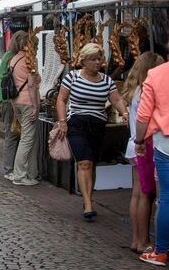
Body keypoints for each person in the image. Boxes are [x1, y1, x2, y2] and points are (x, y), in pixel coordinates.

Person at [56, 43, 129, 219]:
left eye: (99, 59)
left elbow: (117, 99)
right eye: (93, 59)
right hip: (77, 124)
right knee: (84, 162)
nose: (98, 62)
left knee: (93, 163)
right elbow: (61, 99)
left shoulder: (106, 80)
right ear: (84, 61)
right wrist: (62, 122)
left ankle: (89, 196)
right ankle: (88, 204)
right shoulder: (72, 77)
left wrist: (124, 112)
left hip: (97, 126)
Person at [135, 25, 169, 266]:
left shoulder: (156, 74)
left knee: (168, 200)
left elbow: (143, 115)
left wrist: (140, 141)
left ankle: (161, 251)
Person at [122, 51, 163, 254]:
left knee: (137, 194)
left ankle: (136, 239)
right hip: (144, 145)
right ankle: (144, 240)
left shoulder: (135, 90)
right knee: (146, 194)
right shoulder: (147, 91)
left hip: (133, 145)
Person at [5, 32, 41, 186]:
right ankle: (19, 175)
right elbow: (32, 85)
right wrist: (35, 106)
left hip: (16, 101)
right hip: (27, 102)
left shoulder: (13, 59)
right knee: (27, 139)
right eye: (36, 45)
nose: (37, 48)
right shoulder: (30, 59)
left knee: (28, 137)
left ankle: (31, 173)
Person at [0, 34, 21, 176]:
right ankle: (9, 168)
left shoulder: (7, 55)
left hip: (3, 98)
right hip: (8, 100)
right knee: (11, 133)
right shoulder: (12, 57)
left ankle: (11, 166)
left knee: (11, 133)